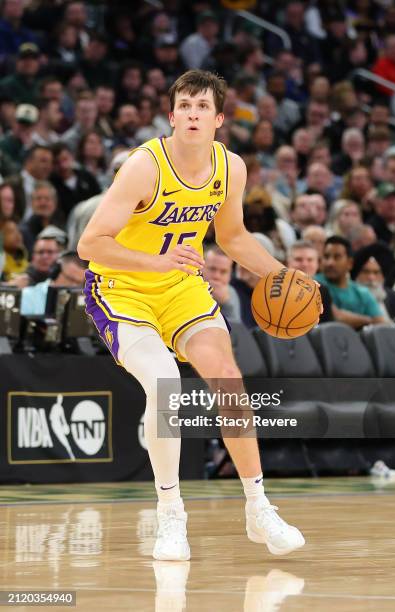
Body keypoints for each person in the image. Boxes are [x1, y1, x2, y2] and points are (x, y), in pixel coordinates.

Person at [78, 70, 315, 562]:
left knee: (228, 379)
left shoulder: (231, 168)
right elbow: (89, 244)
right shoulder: (144, 166)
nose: (191, 113)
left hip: (181, 289)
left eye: (202, 107)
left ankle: (258, 507)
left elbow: (231, 236)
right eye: (184, 105)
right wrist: (154, 262)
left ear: (219, 119)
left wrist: (283, 275)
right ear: (170, 116)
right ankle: (170, 515)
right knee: (165, 383)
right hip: (121, 290)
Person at [316, 236, 385, 329]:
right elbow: (337, 317)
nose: (330, 263)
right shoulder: (315, 285)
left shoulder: (362, 292)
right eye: (326, 257)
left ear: (350, 263)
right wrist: (369, 320)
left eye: (337, 257)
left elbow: (381, 323)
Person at [20, 250, 86, 316]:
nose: (74, 286)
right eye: (70, 280)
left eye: (79, 283)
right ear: (55, 272)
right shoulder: (27, 296)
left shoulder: (84, 304)